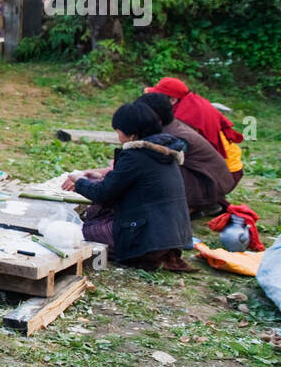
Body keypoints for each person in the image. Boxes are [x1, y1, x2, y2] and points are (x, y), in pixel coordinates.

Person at [62, 101, 195, 271]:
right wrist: (99, 176)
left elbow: (103, 193)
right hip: (171, 236)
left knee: (80, 233)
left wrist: (79, 180)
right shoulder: (163, 151)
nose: (118, 136)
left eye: (118, 131)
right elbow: (134, 184)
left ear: (131, 134)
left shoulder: (136, 156)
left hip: (149, 239)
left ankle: (142, 253)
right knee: (94, 219)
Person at [136, 91, 235, 217]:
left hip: (210, 183)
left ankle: (194, 205)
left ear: (156, 118)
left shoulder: (175, 137)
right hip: (210, 181)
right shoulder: (169, 126)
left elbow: (152, 164)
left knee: (157, 171)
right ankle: (202, 204)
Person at [145, 77, 244, 187]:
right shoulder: (193, 103)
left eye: (158, 96)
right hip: (228, 168)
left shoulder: (186, 116)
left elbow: (174, 151)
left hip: (226, 173)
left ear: (173, 100)